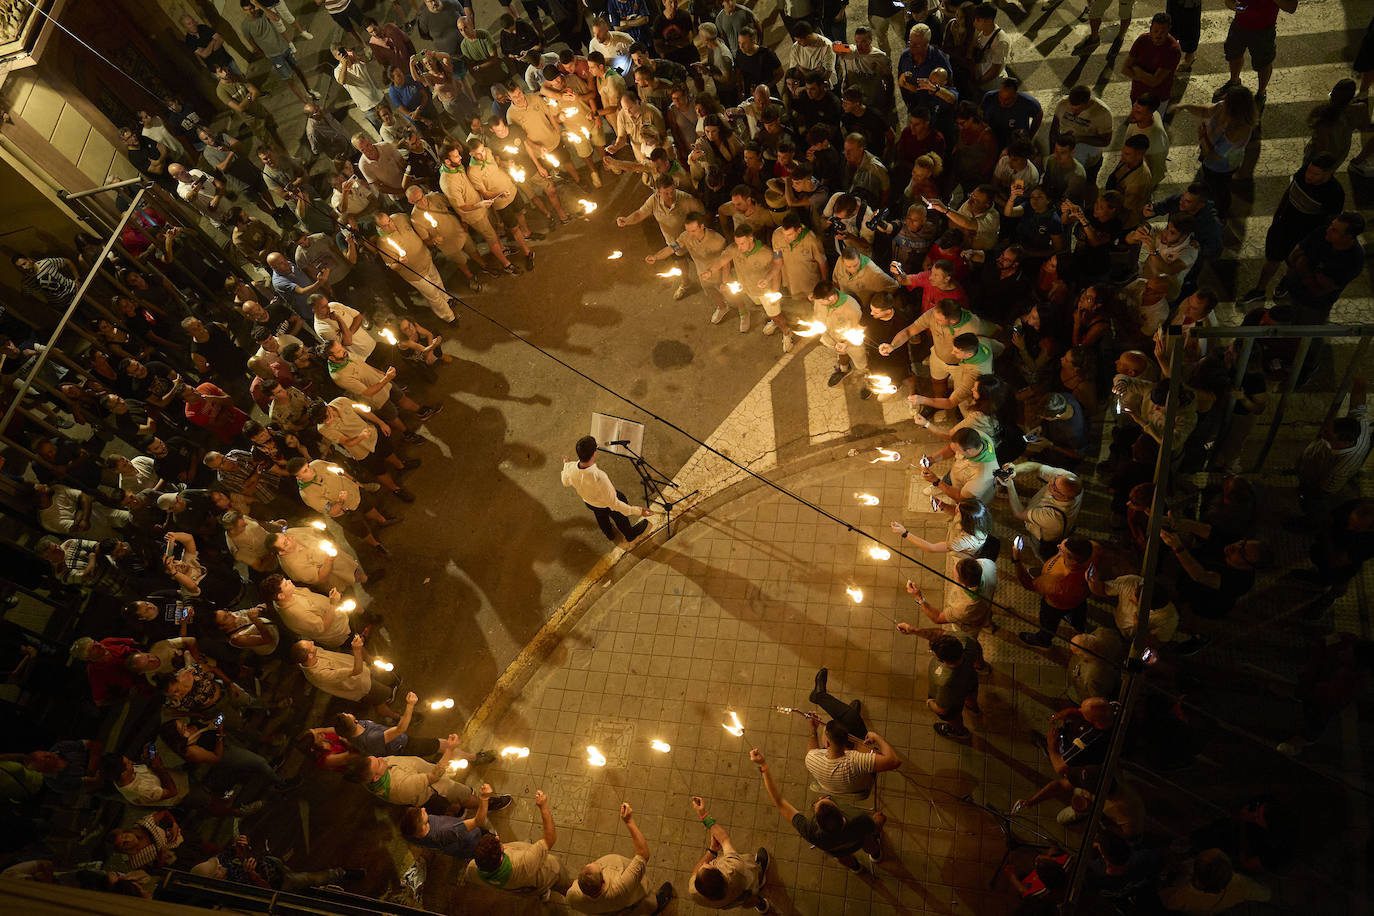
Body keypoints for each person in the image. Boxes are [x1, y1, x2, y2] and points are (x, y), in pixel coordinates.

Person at [751, 747, 885, 875]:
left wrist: (763, 766)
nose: (821, 797)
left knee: (843, 857)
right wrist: (878, 820)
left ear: (819, 824)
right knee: (868, 842)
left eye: (819, 801)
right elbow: (875, 826)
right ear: (840, 811)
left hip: (837, 851)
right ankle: (876, 855)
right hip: (858, 840)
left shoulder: (811, 831)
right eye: (825, 799)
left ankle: (856, 868)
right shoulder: (859, 819)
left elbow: (779, 802)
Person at [565, 802, 675, 913]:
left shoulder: (572, 896)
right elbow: (643, 854)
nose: (596, 863)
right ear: (603, 881)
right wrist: (629, 821)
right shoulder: (621, 887)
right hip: (634, 900)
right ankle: (657, 906)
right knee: (648, 904)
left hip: (609, 911)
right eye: (600, 868)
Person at [466, 789, 570, 897]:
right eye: (497, 842)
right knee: (560, 881)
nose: (497, 837)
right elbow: (550, 838)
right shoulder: (523, 862)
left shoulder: (473, 869)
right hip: (546, 874)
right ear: (501, 853)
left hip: (520, 886)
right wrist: (543, 806)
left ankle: (542, 892)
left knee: (531, 888)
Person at [562, 436, 653, 543]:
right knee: (619, 507)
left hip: (589, 502)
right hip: (605, 503)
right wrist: (639, 511)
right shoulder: (599, 477)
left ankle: (609, 534)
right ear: (594, 453)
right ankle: (630, 534)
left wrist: (566, 465)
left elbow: (565, 482)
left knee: (600, 516)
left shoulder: (570, 468)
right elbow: (615, 504)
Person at [686, 796, 770, 912]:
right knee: (753, 875)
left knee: (747, 901)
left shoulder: (695, 893)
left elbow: (695, 874)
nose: (704, 864)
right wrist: (703, 815)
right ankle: (761, 880)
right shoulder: (733, 868)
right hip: (747, 885)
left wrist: (712, 851)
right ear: (721, 874)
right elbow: (724, 839)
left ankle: (762, 906)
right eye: (709, 864)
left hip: (733, 901)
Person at [1015, 535, 1097, 649]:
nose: (1058, 546)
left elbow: (1028, 583)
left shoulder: (1054, 582)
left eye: (1061, 550)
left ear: (1072, 561)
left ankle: (1043, 640)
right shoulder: (1094, 549)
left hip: (1054, 605)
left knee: (1048, 624)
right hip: (1078, 599)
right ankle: (1079, 626)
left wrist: (1017, 560)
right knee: (1079, 614)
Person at [1214, 0, 1298, 108]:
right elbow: (1229, 1)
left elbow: (1291, 7)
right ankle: (1234, 82)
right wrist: (1234, 7)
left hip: (1264, 31)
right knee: (1233, 54)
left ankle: (1261, 93)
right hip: (1239, 25)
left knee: (1264, 63)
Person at [294, 636, 401, 718]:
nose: (312, 642)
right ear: (310, 656)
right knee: (379, 700)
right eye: (309, 645)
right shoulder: (320, 674)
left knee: (380, 684)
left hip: (361, 672)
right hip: (360, 685)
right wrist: (357, 650)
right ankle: (398, 717)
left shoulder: (307, 658)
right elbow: (356, 671)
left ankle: (389, 693)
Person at [803, 710, 900, 797]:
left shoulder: (811, 759)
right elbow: (894, 761)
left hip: (831, 789)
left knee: (850, 717)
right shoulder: (855, 760)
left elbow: (811, 752)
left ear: (827, 744)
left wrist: (813, 730)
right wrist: (876, 737)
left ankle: (850, 710)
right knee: (853, 720)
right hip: (859, 790)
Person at [999, 462, 1082, 558]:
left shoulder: (1051, 517)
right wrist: (1014, 470)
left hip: (1044, 538)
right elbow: (1038, 467)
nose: (1050, 483)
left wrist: (1010, 486)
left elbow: (1019, 513)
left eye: (1054, 487)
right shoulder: (1067, 478)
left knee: (1041, 553)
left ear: (1065, 497)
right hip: (1065, 526)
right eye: (1054, 479)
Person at [1122, 12, 1182, 106]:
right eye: (1155, 31)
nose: (1158, 36)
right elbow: (1124, 69)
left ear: (1168, 30)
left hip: (1157, 99)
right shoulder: (1142, 40)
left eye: (1162, 32)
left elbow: (1154, 82)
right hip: (1137, 95)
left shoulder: (1173, 50)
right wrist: (1146, 78)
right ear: (1150, 29)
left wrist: (1136, 69)